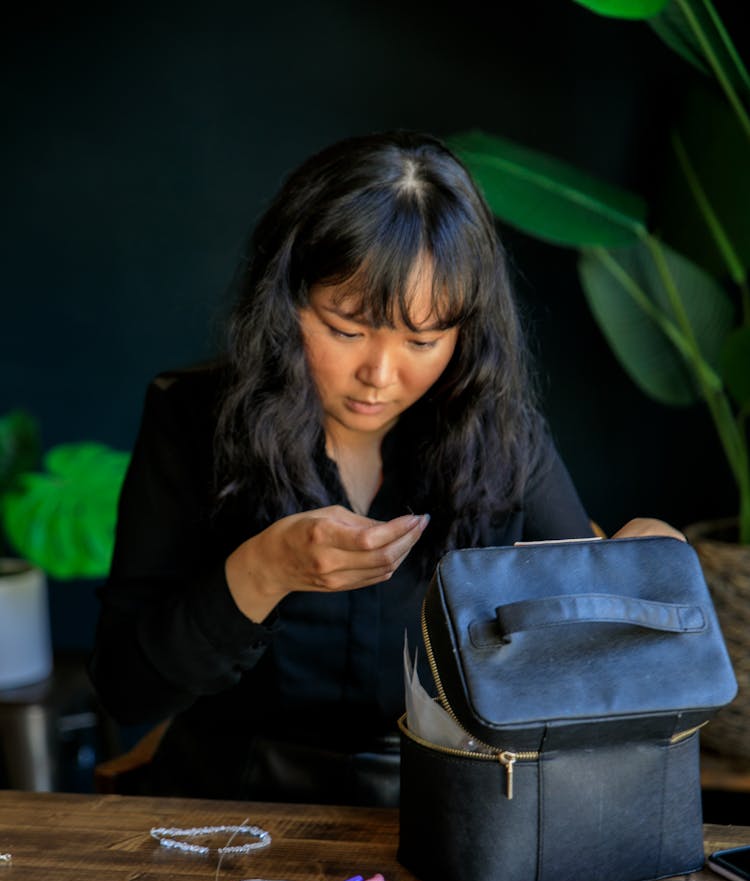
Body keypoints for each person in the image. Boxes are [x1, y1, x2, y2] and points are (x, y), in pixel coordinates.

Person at [89, 129, 681, 805]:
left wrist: (650, 574)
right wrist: (264, 570)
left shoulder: (501, 436)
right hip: (229, 810)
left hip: (444, 813)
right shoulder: (191, 419)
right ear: (286, 301)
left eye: (423, 340)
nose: (379, 374)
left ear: (464, 332)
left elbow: (589, 667)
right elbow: (126, 688)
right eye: (346, 329)